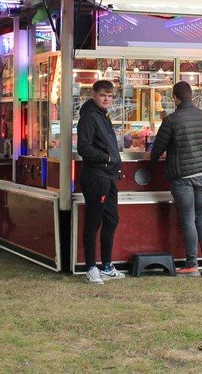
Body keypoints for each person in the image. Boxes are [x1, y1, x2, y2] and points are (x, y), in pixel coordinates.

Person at [150, 81, 202, 277]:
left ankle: (192, 264)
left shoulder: (171, 120)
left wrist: (161, 154)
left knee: (188, 219)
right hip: (201, 174)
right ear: (191, 96)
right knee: (201, 217)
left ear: (175, 98)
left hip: (182, 176)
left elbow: (156, 151)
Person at [76, 80, 124, 284]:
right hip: (96, 176)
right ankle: (91, 268)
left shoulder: (103, 116)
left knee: (111, 220)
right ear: (94, 95)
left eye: (110, 96)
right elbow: (83, 148)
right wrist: (106, 158)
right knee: (93, 222)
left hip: (109, 176)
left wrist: (113, 163)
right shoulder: (89, 117)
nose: (107, 99)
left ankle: (107, 266)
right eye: (103, 95)